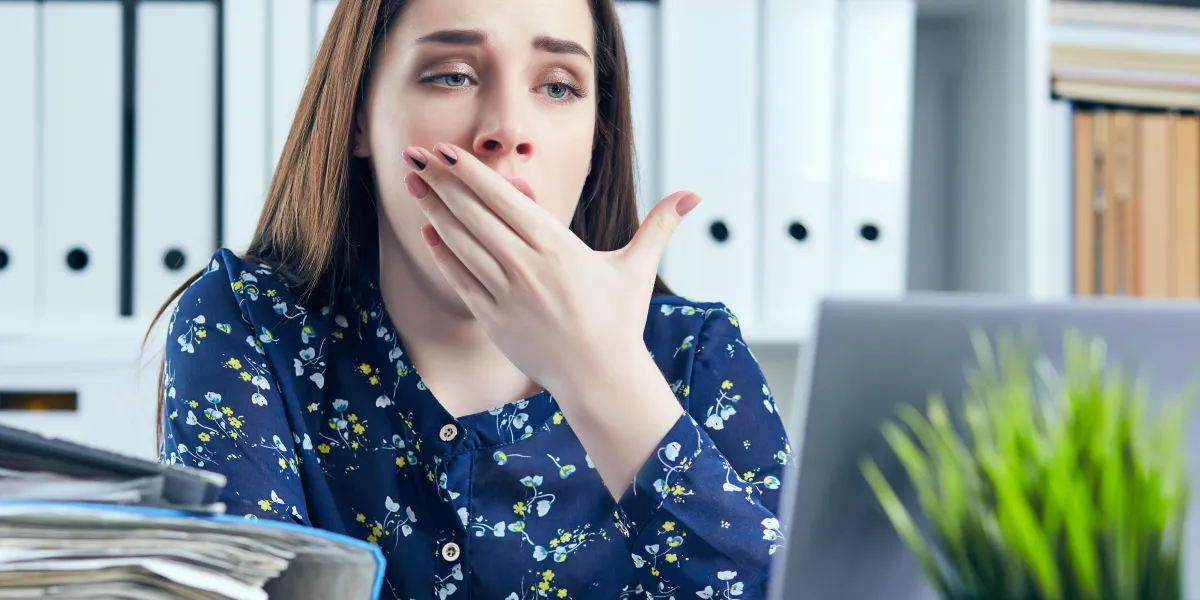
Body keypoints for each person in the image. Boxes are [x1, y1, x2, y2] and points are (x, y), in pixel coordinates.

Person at [151, 0, 793, 597]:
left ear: (596, 138)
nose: (507, 130)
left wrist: (599, 372)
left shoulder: (695, 358)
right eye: (452, 76)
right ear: (358, 116)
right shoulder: (247, 325)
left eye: (558, 87)